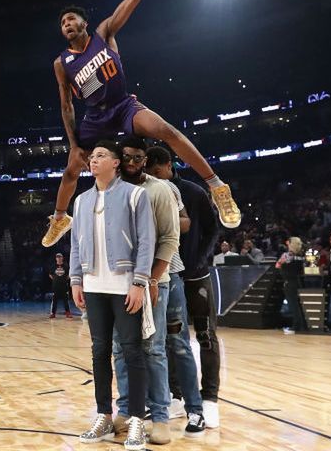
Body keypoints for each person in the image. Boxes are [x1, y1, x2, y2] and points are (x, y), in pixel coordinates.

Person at [39, 0, 241, 249]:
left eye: (71, 19)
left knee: (166, 131)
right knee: (71, 170)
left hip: (122, 105)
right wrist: (75, 144)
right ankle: (59, 218)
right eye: (62, 22)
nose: (66, 24)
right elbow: (66, 105)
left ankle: (217, 187)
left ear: (84, 23)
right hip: (96, 118)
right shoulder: (61, 63)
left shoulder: (103, 33)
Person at [111, 136, 205, 443]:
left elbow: (180, 228)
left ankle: (194, 408)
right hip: (128, 280)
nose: (133, 163)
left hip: (168, 274)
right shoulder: (111, 189)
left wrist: (153, 275)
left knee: (173, 344)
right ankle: (144, 408)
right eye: (128, 157)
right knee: (129, 347)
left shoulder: (167, 189)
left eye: (140, 159)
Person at [70, 140, 155, 451]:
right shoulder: (80, 201)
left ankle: (136, 420)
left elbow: (147, 241)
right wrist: (76, 279)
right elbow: (76, 244)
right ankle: (104, 414)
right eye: (92, 157)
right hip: (93, 285)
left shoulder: (135, 195)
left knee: (133, 351)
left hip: (124, 286)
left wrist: (139, 282)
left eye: (101, 156)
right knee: (98, 351)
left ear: (117, 162)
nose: (94, 160)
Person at [146, 146, 223, 428]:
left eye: (156, 172)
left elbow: (213, 229)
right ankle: (176, 396)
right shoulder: (150, 191)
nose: (154, 177)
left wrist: (201, 259)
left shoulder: (193, 192)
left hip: (197, 275)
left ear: (169, 166)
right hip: (171, 274)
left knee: (205, 336)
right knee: (170, 338)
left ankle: (210, 399)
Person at [276, 237, 309, 334]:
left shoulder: (286, 255)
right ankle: (303, 325)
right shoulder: (301, 256)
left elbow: (277, 265)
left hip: (289, 282)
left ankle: (296, 326)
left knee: (293, 305)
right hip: (298, 282)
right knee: (298, 305)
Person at [49, 252, 72, 319]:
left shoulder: (66, 266)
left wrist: (64, 280)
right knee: (54, 300)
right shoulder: (53, 266)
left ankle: (68, 313)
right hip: (55, 286)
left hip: (64, 286)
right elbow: (50, 274)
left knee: (66, 301)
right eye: (57, 257)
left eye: (60, 257)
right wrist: (55, 279)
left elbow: (69, 274)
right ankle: (53, 313)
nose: (58, 258)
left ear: (62, 258)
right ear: (56, 258)